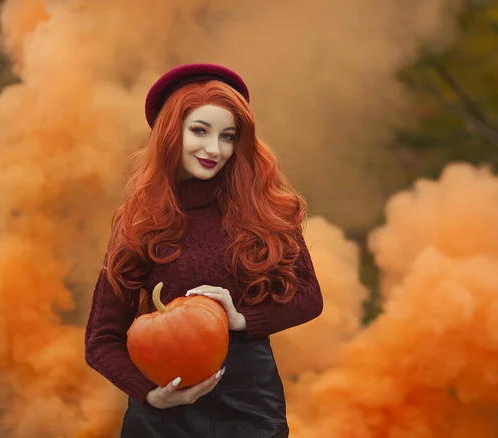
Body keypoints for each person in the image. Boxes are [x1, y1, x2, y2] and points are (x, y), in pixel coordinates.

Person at [84, 63, 323, 438]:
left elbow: (310, 299)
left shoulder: (267, 208)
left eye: (227, 136)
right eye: (199, 130)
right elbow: (101, 340)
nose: (214, 149)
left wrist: (241, 319)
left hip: (251, 412)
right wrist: (149, 394)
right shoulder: (137, 220)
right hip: (163, 422)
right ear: (170, 133)